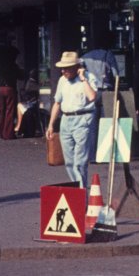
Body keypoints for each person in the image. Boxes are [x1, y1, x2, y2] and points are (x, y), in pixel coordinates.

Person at [46, 51, 99, 190]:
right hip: (66, 120)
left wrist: (83, 79)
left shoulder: (88, 78)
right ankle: (78, 190)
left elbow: (92, 96)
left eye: (67, 68)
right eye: (62, 68)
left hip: (83, 118)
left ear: (77, 67)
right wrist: (51, 124)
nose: (63, 71)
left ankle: (81, 193)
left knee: (80, 161)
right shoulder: (62, 80)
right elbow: (57, 103)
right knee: (69, 161)